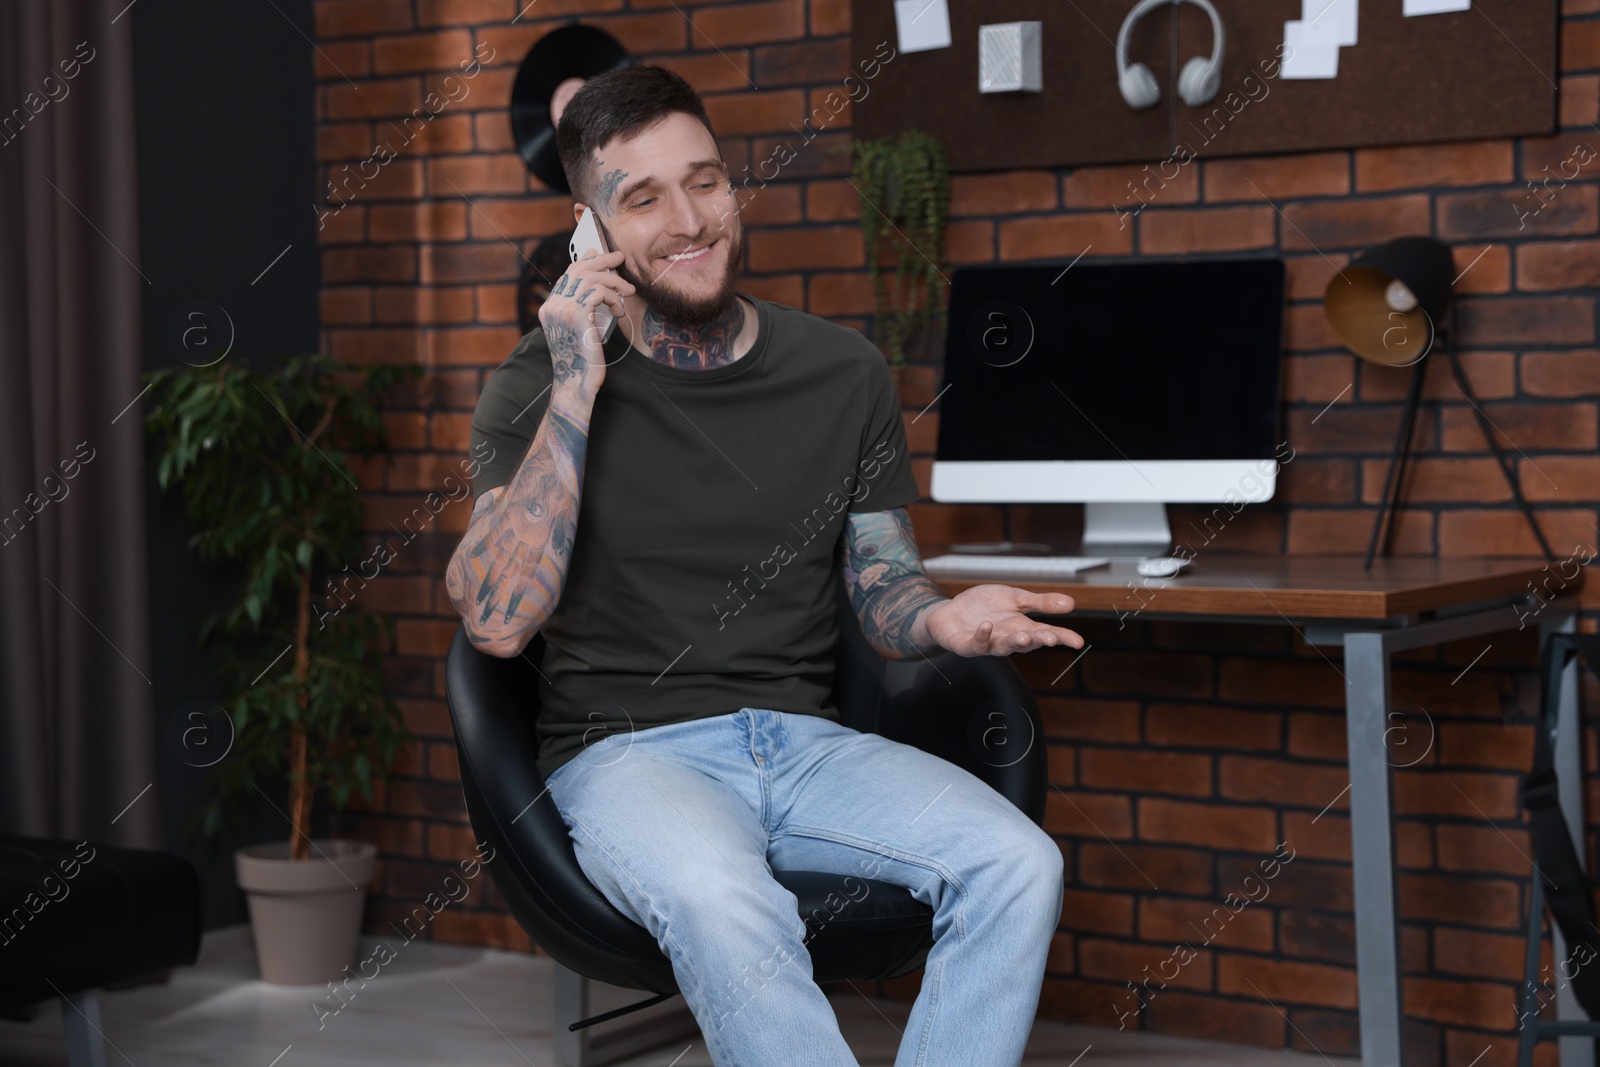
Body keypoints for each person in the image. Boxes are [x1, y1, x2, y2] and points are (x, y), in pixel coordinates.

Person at [446, 64, 1083, 1067]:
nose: (688, 218)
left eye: (704, 180)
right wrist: (577, 381)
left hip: (806, 745)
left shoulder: (843, 371)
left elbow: (881, 587)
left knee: (1018, 861)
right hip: (627, 758)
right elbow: (495, 621)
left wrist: (942, 620)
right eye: (641, 196)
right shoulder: (535, 383)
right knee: (722, 892)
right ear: (591, 230)